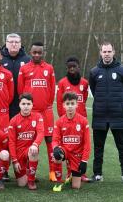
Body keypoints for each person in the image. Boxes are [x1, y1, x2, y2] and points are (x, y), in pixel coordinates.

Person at [18, 41, 58, 181]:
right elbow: (20, 90)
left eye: (39, 52)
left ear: (43, 53)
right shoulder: (24, 69)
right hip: (31, 112)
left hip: (46, 111)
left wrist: (47, 104)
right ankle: (29, 171)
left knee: (49, 139)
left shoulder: (49, 68)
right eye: (34, 52)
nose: (37, 55)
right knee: (29, 140)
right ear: (30, 52)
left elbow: (52, 89)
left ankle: (53, 171)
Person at [89, 41, 123, 182]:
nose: (107, 54)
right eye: (104, 51)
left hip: (118, 116)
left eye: (109, 51)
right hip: (100, 116)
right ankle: (98, 174)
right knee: (98, 148)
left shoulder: (121, 70)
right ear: (101, 53)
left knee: (122, 148)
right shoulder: (94, 71)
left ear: (114, 52)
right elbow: (93, 89)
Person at [52, 92, 90, 190]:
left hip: (77, 154)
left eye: (72, 103)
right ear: (64, 105)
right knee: (56, 156)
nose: (70, 106)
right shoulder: (59, 121)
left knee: (76, 187)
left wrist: (84, 160)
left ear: (77, 104)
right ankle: (58, 182)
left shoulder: (83, 121)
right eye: (68, 104)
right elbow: (55, 139)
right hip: (65, 151)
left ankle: (71, 173)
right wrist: (56, 147)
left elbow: (87, 143)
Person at [8, 93, 44, 190]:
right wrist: (15, 161)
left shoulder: (38, 117)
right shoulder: (13, 120)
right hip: (19, 153)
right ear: (19, 105)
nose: (26, 106)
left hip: (30, 149)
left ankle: (31, 180)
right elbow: (11, 142)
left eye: (28, 104)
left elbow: (41, 133)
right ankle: (28, 172)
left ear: (32, 105)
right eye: (23, 104)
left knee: (34, 151)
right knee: (21, 184)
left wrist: (35, 144)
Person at [1, 33, 31, 119]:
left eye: (16, 42)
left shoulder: (28, 60)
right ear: (6, 43)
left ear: (20, 44)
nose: (14, 44)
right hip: (4, 101)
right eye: (11, 42)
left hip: (22, 101)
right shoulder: (0, 59)